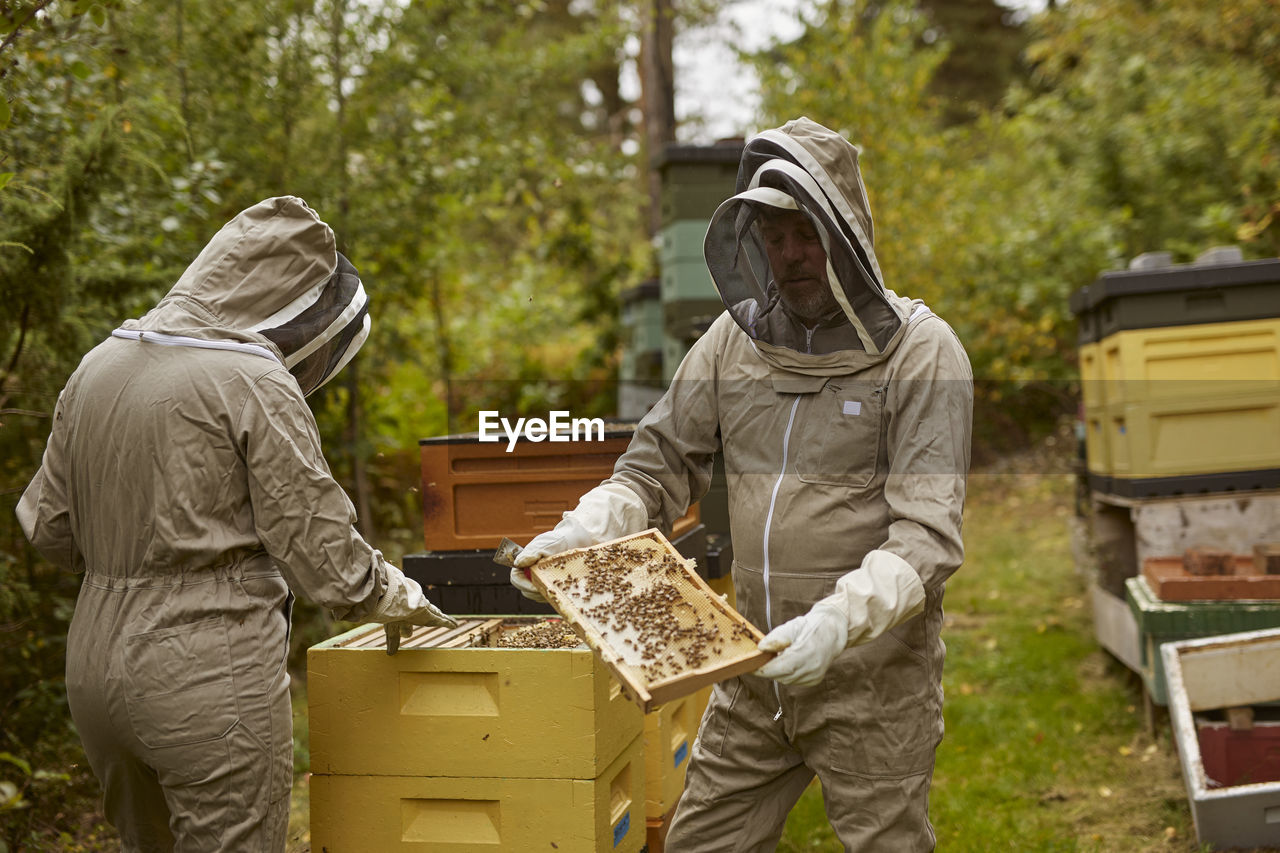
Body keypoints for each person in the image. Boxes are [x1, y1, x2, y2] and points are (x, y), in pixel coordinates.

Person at [512, 118, 972, 850]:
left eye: (805, 232)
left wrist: (835, 622)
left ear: (847, 231)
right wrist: (587, 528)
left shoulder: (923, 353)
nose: (789, 254)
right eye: (772, 233)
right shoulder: (733, 340)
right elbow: (658, 459)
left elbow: (927, 537)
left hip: (873, 682)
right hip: (754, 674)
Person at [16, 196, 456, 852]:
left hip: (91, 670)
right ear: (288, 294)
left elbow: (49, 529)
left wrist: (134, 553)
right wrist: (395, 596)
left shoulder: (96, 365)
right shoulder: (250, 376)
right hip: (204, 672)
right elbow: (322, 550)